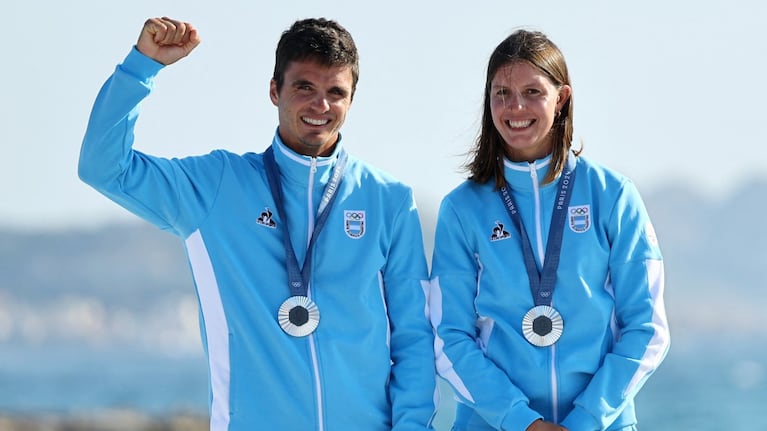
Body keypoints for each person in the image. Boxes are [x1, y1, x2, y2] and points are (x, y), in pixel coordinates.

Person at [79, 16, 437, 430]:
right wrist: (143, 66)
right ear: (274, 90)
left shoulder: (388, 200)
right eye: (305, 87)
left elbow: (414, 340)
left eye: (335, 92)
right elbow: (103, 168)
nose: (320, 105)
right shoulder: (217, 187)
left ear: (351, 100)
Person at [429, 29, 670, 431]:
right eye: (501, 93)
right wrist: (522, 421)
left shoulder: (612, 195)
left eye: (532, 92)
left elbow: (648, 329)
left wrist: (586, 420)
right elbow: (449, 339)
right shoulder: (461, 208)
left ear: (561, 99)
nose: (515, 106)